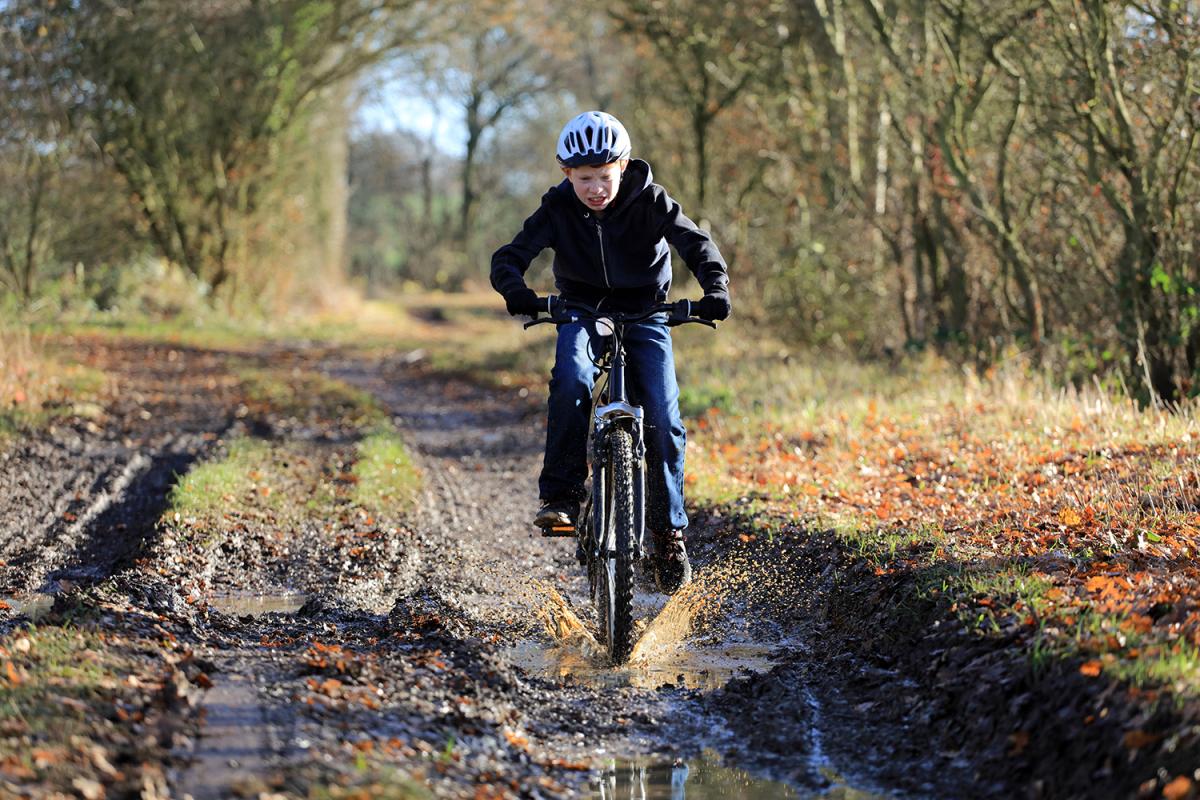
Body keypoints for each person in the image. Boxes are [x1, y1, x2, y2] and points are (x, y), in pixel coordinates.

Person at [490, 110, 731, 592]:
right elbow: (510, 256)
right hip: (579, 308)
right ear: (566, 175)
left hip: (646, 310)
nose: (596, 188)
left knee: (662, 414)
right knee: (571, 380)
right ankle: (561, 496)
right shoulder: (558, 207)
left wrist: (715, 288)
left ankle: (668, 534)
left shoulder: (651, 201)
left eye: (604, 176)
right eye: (584, 179)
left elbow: (696, 244)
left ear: (622, 166)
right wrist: (516, 289)